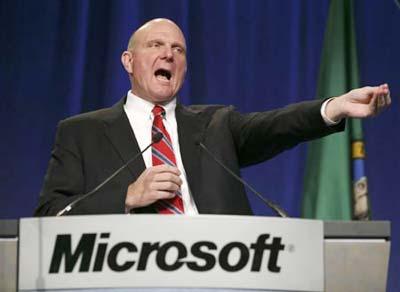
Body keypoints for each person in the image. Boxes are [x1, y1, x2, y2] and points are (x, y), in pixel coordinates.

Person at [34, 18, 391, 216]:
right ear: (128, 61)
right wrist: (125, 196)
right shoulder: (81, 133)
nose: (169, 54)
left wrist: (334, 107)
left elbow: (278, 125)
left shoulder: (216, 125)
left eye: (178, 49)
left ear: (185, 69)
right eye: (155, 45)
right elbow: (49, 216)